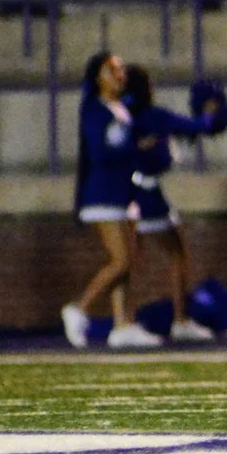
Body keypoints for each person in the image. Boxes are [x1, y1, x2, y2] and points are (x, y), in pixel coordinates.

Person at [122, 66, 227, 343]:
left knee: (143, 258)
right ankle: (128, 321)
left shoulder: (124, 117)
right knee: (134, 260)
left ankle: (140, 321)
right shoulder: (153, 116)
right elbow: (201, 126)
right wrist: (211, 111)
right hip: (143, 193)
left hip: (133, 191)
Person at [62, 51, 161, 350]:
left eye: (121, 70)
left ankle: (122, 325)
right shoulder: (94, 109)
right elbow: (100, 152)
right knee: (121, 260)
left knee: (128, 262)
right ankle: (78, 308)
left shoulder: (121, 107)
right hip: (102, 193)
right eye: (111, 70)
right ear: (97, 78)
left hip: (122, 193)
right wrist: (136, 147)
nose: (120, 75)